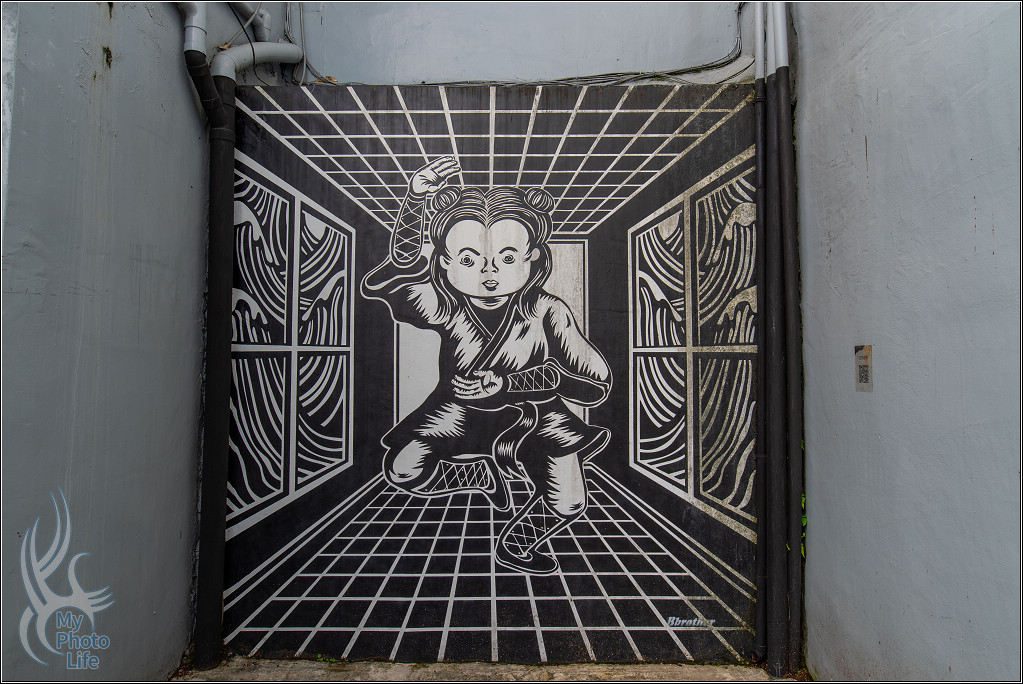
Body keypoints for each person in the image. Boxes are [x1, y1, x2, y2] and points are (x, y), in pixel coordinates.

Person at [361, 157, 612, 574]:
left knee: (568, 501)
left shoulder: (547, 310)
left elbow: (594, 383)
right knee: (403, 471)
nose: (488, 273)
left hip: (538, 417)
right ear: (444, 262)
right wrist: (415, 202)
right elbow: (395, 277)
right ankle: (476, 475)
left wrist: (513, 384)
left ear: (532, 258)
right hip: (458, 412)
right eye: (468, 259)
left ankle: (517, 542)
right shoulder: (444, 304)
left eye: (507, 258)